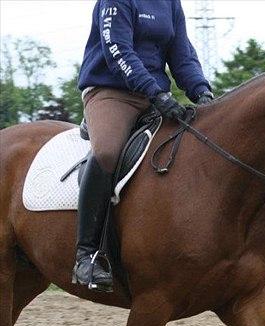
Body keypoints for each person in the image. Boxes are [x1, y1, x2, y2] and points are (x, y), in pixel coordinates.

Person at [75, 0, 214, 292]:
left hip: (155, 95)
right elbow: (119, 53)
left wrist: (201, 91)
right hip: (112, 91)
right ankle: (86, 255)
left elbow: (182, 54)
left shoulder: (169, 3)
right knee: (108, 152)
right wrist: (155, 92)